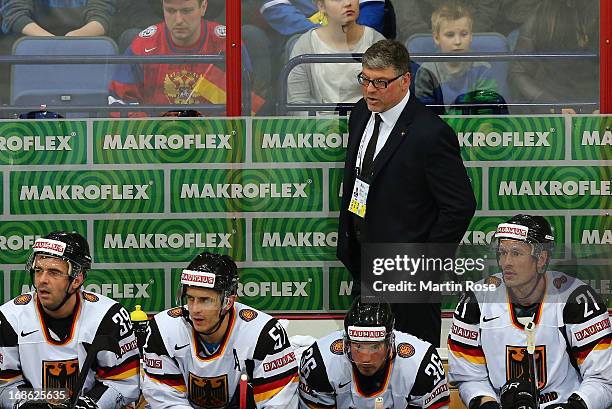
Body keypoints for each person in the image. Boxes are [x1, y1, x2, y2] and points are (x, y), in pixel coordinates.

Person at [336, 39, 476, 346]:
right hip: (364, 263)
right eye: (365, 80)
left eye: (381, 82)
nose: (370, 90)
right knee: (368, 359)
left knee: (414, 364)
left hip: (409, 275)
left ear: (405, 80)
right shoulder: (360, 113)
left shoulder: (431, 133)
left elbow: (460, 206)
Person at [448, 214, 612, 409]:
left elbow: (603, 380)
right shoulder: (476, 300)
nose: (505, 262)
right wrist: (487, 403)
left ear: (541, 258)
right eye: (502, 252)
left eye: (516, 253)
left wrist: (572, 407)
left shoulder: (577, 299)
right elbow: (468, 377)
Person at [0, 231, 140, 409]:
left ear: (77, 279)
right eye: (38, 270)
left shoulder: (109, 316)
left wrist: (90, 405)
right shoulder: (9, 317)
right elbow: (5, 385)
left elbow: (123, 382)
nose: (42, 280)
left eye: (54, 272)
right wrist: (27, 403)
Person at [141, 252, 298, 408]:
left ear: (228, 302)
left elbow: (278, 403)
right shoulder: (161, 330)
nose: (195, 309)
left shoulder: (265, 334)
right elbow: (165, 399)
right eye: (190, 298)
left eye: (205, 300)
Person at [108, 0, 263, 117]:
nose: (179, 20)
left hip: (214, 140)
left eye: (186, 11)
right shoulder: (143, 45)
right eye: (170, 10)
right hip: (156, 142)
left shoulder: (228, 44)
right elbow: (120, 101)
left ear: (203, 7)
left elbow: (246, 103)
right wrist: (150, 131)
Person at [298, 297, 450, 408]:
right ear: (347, 342)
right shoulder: (320, 361)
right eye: (358, 346)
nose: (366, 358)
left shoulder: (421, 363)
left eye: (375, 347)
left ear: (390, 341)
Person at [287, 0, 385, 111]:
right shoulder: (305, 45)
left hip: (366, 123)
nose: (348, 3)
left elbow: (387, 98)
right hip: (318, 125)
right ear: (321, 5)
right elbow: (297, 103)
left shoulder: (376, 42)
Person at [508, 0, 599, 114]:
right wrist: (549, 103)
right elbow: (518, 72)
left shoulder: (603, 15)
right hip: (553, 105)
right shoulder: (543, 17)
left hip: (596, 103)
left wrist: (604, 105)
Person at [415, 1, 502, 114]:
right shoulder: (427, 71)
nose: (458, 41)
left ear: (471, 36)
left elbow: (487, 111)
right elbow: (424, 115)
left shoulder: (482, 68)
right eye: (450, 35)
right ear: (436, 38)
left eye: (464, 34)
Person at [394, 0, 499, 45]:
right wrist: (435, 41)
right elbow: (409, 21)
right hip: (425, 37)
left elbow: (487, 13)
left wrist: (464, 36)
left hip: (473, 34)